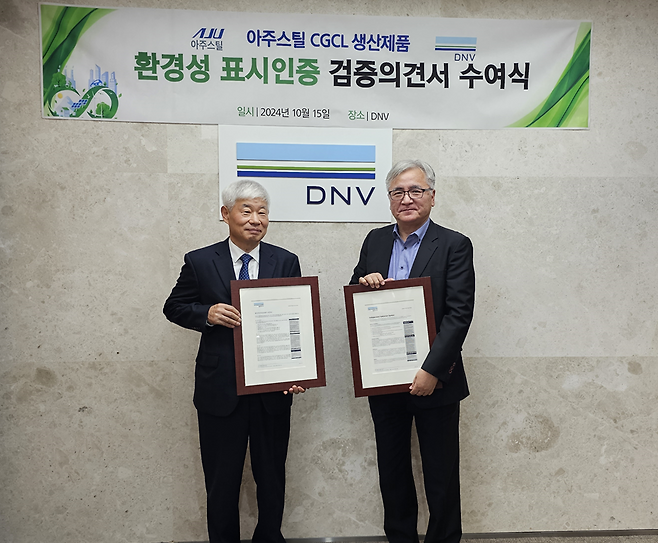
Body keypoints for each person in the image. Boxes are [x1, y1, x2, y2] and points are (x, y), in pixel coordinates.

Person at [164, 180, 305, 543]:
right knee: (221, 481)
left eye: (262, 212)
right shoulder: (199, 261)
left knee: (271, 478)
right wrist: (206, 314)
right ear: (226, 214)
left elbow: (296, 318)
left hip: (272, 390)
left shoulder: (285, 261)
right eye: (247, 211)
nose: (256, 219)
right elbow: (174, 307)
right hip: (220, 389)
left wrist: (298, 371)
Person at [349, 160, 475, 543]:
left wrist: (431, 370)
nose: (407, 199)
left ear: (432, 197)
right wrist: (364, 281)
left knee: (440, 474)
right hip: (384, 378)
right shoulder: (374, 241)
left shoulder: (454, 244)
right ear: (389, 200)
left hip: (436, 380)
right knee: (392, 471)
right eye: (398, 192)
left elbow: (459, 314)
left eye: (416, 191)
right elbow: (355, 293)